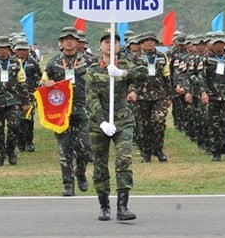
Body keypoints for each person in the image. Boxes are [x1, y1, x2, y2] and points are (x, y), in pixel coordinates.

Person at [86, 30, 147, 221]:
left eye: (114, 42)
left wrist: (123, 73)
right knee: (100, 164)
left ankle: (123, 206)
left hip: (122, 120)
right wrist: (102, 121)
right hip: (99, 123)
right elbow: (91, 98)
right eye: (106, 42)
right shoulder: (93, 69)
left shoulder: (127, 64)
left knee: (124, 159)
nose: (110, 45)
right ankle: (104, 206)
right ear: (100, 45)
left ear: (119, 46)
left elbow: (144, 73)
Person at [42, 27, 95, 196]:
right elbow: (43, 79)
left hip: (83, 108)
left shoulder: (89, 60)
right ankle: (67, 184)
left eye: (72, 39)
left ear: (78, 42)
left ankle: (80, 172)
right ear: (61, 42)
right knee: (64, 148)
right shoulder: (54, 61)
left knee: (85, 147)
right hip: (61, 110)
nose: (69, 41)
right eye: (66, 39)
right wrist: (47, 82)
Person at [0, 36, 29, 167]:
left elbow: (22, 82)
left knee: (14, 126)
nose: (2, 51)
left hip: (13, 101)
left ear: (9, 50)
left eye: (5, 48)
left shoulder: (15, 63)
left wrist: (25, 101)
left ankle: (11, 150)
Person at [197, 32, 225, 161]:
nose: (218, 45)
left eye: (221, 43)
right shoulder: (206, 59)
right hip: (212, 96)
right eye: (216, 43)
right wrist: (203, 92)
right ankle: (216, 151)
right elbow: (202, 77)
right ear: (212, 44)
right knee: (214, 124)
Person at [130, 31, 173, 162]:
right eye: (146, 40)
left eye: (152, 40)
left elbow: (167, 77)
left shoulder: (162, 57)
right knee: (143, 126)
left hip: (159, 96)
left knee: (159, 121)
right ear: (142, 43)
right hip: (141, 96)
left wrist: (169, 96)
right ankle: (146, 153)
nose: (149, 42)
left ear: (155, 42)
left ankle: (158, 149)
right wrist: (131, 91)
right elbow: (131, 77)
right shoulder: (135, 58)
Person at [14, 38, 42, 152]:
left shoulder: (32, 62)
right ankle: (20, 143)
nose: (21, 52)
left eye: (23, 49)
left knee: (28, 120)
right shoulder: (12, 62)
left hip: (29, 94)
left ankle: (29, 142)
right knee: (17, 119)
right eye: (19, 49)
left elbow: (39, 76)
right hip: (15, 94)